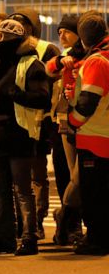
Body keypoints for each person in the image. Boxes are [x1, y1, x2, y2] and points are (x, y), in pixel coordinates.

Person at [0, 18, 50, 256]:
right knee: (2, 191)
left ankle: (29, 238)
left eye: (1, 36)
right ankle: (5, 238)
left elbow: (42, 97)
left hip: (17, 134)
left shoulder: (30, 63)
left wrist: (16, 95)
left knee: (22, 190)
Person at [9, 8, 61, 241]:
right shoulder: (8, 50)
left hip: (41, 119)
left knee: (37, 175)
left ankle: (36, 222)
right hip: (15, 121)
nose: (20, 30)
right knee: (18, 177)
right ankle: (21, 222)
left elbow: (52, 85)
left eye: (25, 25)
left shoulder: (46, 50)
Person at [65, 11, 109, 255]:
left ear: (83, 39)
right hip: (106, 135)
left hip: (94, 136)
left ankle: (97, 239)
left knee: (94, 195)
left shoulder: (96, 61)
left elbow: (88, 102)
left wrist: (72, 121)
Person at [47, 14, 85, 246]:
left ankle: (65, 216)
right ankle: (71, 226)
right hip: (63, 122)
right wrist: (63, 61)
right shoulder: (63, 57)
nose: (61, 35)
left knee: (79, 177)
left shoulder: (90, 56)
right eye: (59, 32)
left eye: (67, 32)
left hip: (86, 122)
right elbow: (49, 69)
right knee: (70, 175)